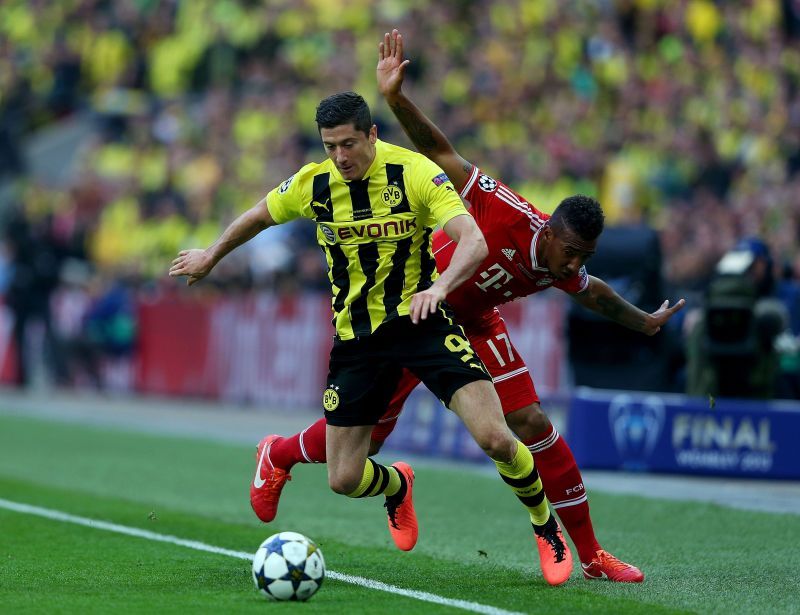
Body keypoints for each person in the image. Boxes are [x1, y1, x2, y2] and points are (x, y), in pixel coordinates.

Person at [247, 30, 687, 584]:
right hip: (413, 310)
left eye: (584, 257)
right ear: (549, 232)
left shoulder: (560, 264)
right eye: (571, 253)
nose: (575, 265)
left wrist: (644, 322)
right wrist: (397, 99)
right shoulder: (504, 210)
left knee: (529, 423)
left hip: (471, 321)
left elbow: (593, 291)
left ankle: (593, 555)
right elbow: (441, 153)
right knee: (363, 446)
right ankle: (281, 453)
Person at [169, 90, 574, 586]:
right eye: (330, 145)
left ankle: (545, 527)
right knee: (343, 479)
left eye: (349, 144)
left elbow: (473, 239)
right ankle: (397, 483)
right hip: (357, 342)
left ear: (373, 135)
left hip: (422, 324)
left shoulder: (415, 173)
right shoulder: (313, 183)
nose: (340, 157)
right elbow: (258, 215)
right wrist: (212, 254)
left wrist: (441, 288)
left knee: (495, 436)